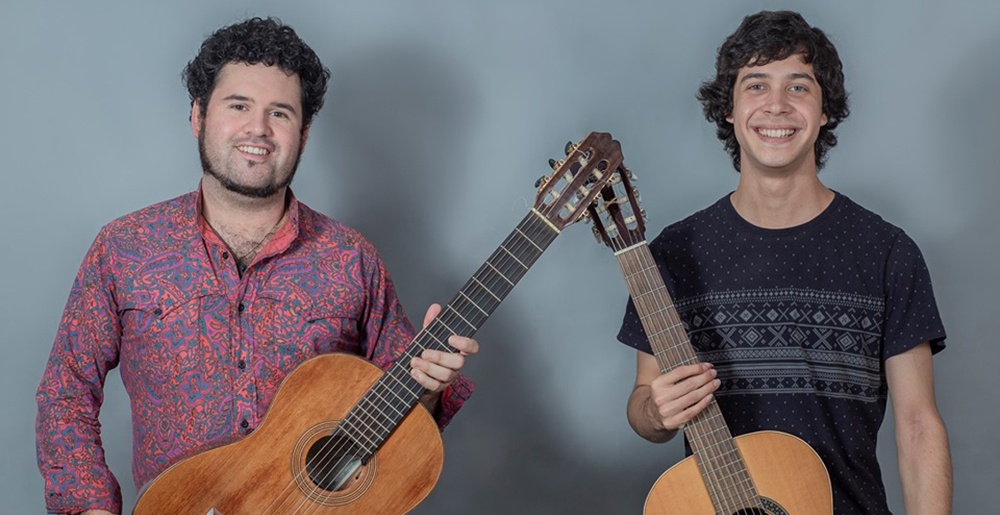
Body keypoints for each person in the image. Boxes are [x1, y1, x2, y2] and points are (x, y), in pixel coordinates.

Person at [35, 17, 477, 515]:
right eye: (238, 105)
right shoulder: (125, 248)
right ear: (198, 117)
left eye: (280, 113)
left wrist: (431, 390)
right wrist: (90, 507)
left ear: (304, 135)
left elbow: (400, 425)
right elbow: (65, 393)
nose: (258, 129)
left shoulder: (352, 259)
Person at [617, 10, 951, 514]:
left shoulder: (887, 252)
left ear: (824, 111)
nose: (776, 106)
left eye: (798, 88)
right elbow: (643, 407)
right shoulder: (672, 253)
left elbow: (919, 425)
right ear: (728, 109)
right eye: (755, 85)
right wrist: (657, 414)